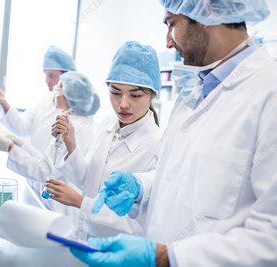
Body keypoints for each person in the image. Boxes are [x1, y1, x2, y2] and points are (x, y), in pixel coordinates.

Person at [70, 0, 277, 266]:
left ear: (208, 12)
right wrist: (141, 188)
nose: (168, 42)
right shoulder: (194, 92)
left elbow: (271, 237)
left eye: (172, 24)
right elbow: (182, 178)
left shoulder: (268, 95)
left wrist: (168, 257)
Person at [44, 41, 161, 240]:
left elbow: (139, 226)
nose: (123, 104)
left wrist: (81, 202)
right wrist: (71, 143)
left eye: (135, 95)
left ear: (152, 95)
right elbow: (87, 178)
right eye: (115, 92)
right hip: (84, 239)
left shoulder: (157, 145)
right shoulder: (107, 125)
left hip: (117, 252)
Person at [0, 71, 100, 222]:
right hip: (53, 204)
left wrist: (11, 149)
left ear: (70, 97)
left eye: (59, 88)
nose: (55, 92)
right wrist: (23, 145)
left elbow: (43, 170)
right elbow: (51, 160)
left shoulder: (73, 127)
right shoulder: (72, 119)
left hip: (61, 209)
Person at [0, 46, 76, 153]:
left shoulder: (76, 112)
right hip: (32, 163)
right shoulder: (45, 101)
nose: (46, 80)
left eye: (51, 75)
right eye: (46, 75)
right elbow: (22, 128)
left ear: (67, 77)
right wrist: (2, 101)